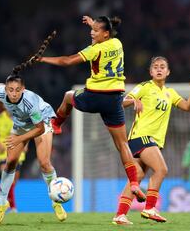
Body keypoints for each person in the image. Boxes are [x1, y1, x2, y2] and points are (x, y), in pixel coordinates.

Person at [38, 15, 144, 201]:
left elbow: (68, 61)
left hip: (96, 96)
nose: (91, 32)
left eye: (95, 30)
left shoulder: (95, 49)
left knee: (68, 96)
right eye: (91, 29)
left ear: (105, 34)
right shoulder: (117, 43)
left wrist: (44, 59)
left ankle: (56, 124)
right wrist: (94, 22)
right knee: (122, 144)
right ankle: (134, 183)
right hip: (115, 99)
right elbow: (105, 30)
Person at [112, 56, 190, 225]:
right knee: (161, 169)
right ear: (151, 72)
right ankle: (150, 208)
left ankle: (120, 215)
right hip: (141, 136)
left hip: (152, 141)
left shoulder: (170, 93)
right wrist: (133, 100)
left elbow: (187, 107)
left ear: (168, 72)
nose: (159, 69)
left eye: (162, 67)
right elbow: (121, 102)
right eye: (155, 67)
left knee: (137, 177)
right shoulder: (145, 87)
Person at [0, 71, 67, 225]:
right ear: (6, 90)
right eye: (11, 90)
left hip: (42, 121)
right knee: (10, 162)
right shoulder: (1, 93)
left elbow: (39, 129)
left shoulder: (30, 103)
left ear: (23, 89)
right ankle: (2, 203)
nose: (14, 93)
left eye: (18, 90)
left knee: (44, 163)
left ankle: (56, 202)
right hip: (21, 124)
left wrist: (19, 139)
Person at [0, 109, 26, 212]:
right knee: (9, 178)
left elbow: (27, 131)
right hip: (2, 153)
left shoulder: (20, 117)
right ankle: (13, 207)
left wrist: (25, 144)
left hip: (18, 152)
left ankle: (1, 189)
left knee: (13, 182)